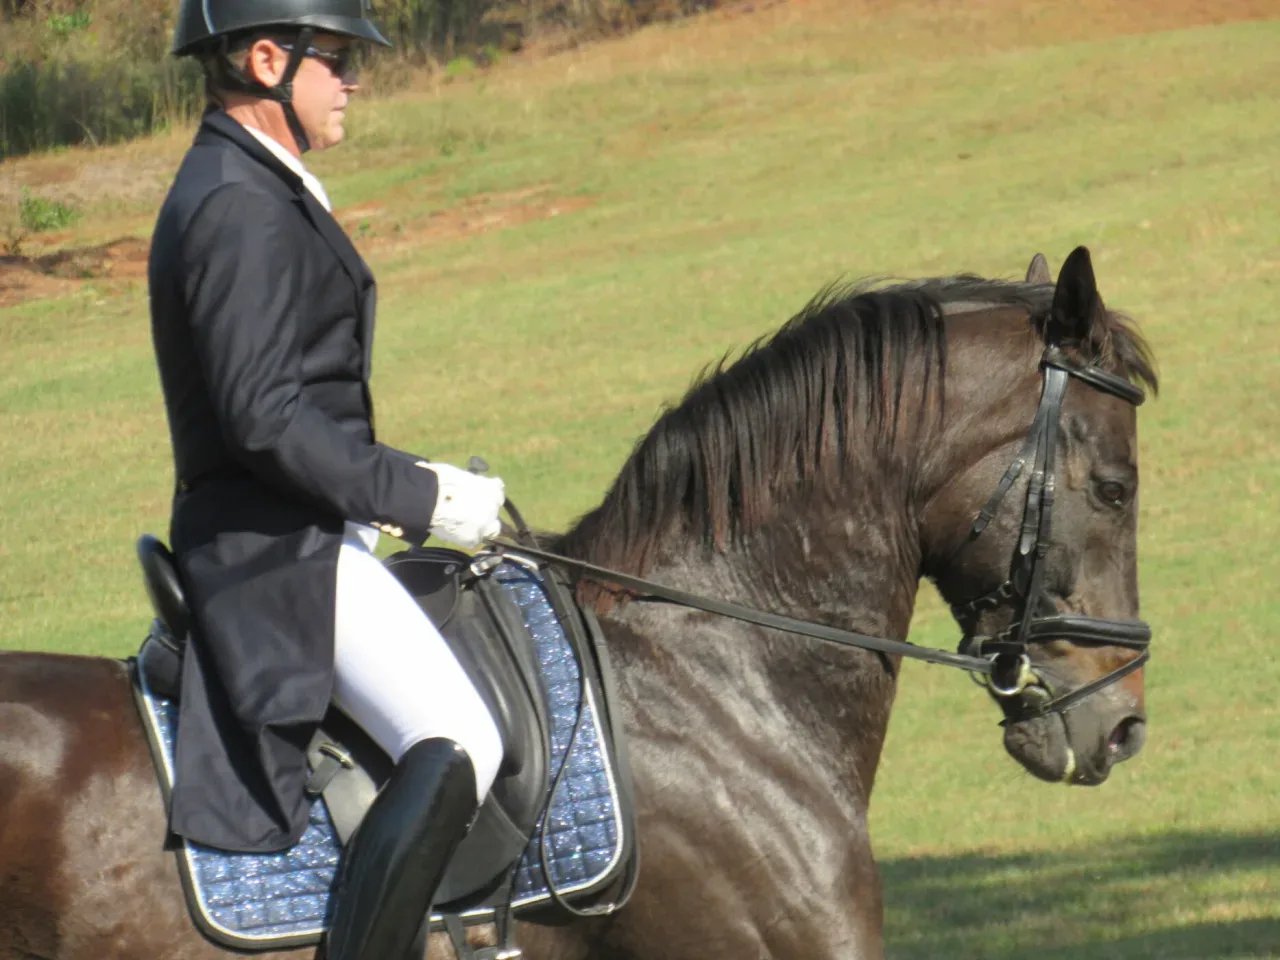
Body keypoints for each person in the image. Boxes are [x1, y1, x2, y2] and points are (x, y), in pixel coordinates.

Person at [147, 1, 506, 956]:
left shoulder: (258, 181)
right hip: (273, 553)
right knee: (463, 737)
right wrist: (419, 496)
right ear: (269, 58)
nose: (355, 80)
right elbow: (263, 417)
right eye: (337, 60)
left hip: (299, 528)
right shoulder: (237, 203)